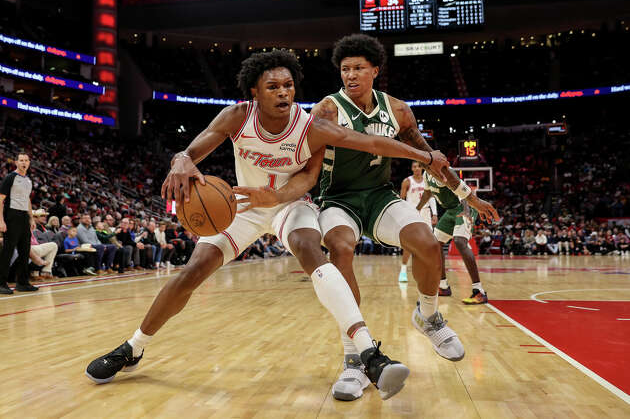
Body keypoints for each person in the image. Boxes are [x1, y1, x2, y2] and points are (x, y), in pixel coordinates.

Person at [86, 50, 450, 399]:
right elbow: (191, 152)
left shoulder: (310, 127)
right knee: (192, 271)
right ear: (254, 92)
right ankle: (133, 348)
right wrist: (180, 160)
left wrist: (424, 155)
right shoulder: (236, 117)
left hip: (290, 204)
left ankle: (369, 353)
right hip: (242, 206)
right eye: (273, 87)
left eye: (288, 86)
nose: (283, 93)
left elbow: (354, 152)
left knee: (311, 249)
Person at [310, 34, 499, 401]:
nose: (350, 75)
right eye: (345, 69)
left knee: (427, 242)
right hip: (337, 199)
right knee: (341, 248)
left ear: (375, 70)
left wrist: (467, 196)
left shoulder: (397, 110)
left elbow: (433, 157)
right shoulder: (327, 110)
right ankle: (354, 359)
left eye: (358, 68)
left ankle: (428, 316)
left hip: (380, 197)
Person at [417, 172, 488, 304]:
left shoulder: (442, 170)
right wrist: (416, 210)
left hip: (465, 207)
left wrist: (467, 212)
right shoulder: (426, 174)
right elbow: (427, 194)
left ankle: (479, 291)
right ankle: (443, 286)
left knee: (459, 241)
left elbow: (464, 191)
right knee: (435, 244)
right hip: (450, 211)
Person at [0, 152, 38, 294]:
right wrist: (1, 220)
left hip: (23, 217)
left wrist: (31, 218)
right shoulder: (10, 177)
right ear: (16, 162)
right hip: (11, 215)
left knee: (24, 250)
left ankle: (22, 283)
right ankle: (1, 283)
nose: (24, 162)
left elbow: (27, 200)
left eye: (26, 160)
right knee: (8, 251)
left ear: (29, 163)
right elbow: (0, 199)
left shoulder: (28, 180)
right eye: (21, 160)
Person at [398, 161, 437, 282]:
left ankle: (427, 269)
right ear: (411, 168)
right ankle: (403, 270)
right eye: (414, 166)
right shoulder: (407, 181)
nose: (417, 168)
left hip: (425, 212)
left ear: (422, 168)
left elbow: (431, 198)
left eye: (419, 166)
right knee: (409, 244)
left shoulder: (427, 180)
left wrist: (434, 213)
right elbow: (402, 199)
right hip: (412, 213)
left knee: (429, 242)